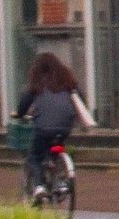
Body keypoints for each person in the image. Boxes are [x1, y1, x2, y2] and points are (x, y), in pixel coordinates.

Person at [13, 51, 82, 197]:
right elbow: (79, 98)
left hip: (43, 128)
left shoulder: (37, 85)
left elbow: (24, 103)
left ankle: (39, 187)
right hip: (65, 126)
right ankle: (61, 180)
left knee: (34, 157)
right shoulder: (67, 83)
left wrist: (19, 114)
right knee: (55, 149)